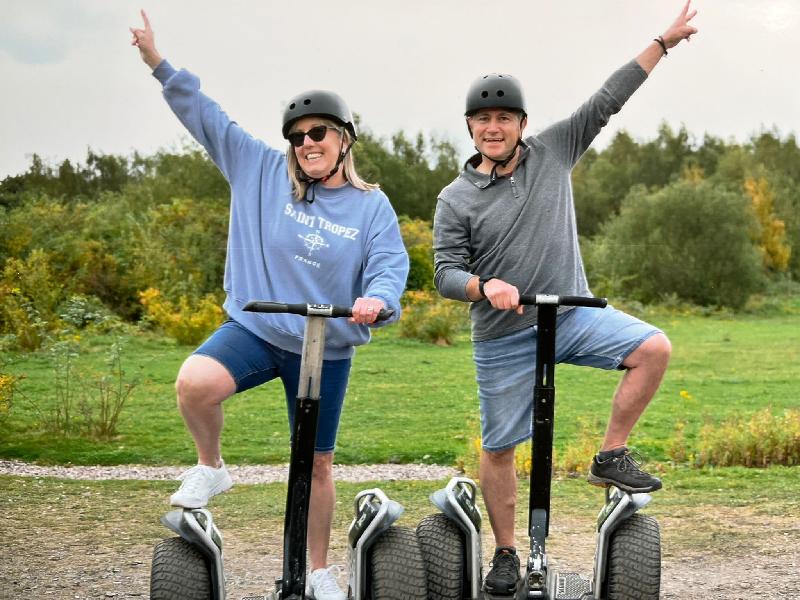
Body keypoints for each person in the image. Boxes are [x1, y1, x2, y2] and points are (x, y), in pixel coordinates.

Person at [130, 11, 408, 600]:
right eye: (298, 135)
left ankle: (316, 572)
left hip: (325, 346)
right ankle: (212, 467)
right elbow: (206, 117)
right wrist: (159, 64)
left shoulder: (371, 207)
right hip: (257, 331)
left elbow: (389, 267)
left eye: (318, 134)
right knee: (195, 384)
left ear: (343, 140)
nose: (306, 144)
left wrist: (376, 301)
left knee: (316, 465)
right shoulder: (259, 169)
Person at [433, 2, 698, 595]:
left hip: (571, 314)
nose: (493, 127)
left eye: (505, 117)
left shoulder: (553, 152)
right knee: (499, 447)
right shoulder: (455, 198)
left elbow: (606, 100)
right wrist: (484, 286)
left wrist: (662, 42)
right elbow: (445, 273)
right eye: (483, 119)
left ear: (522, 123)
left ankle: (610, 453)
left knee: (653, 349)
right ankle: (505, 555)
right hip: (502, 336)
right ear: (470, 127)